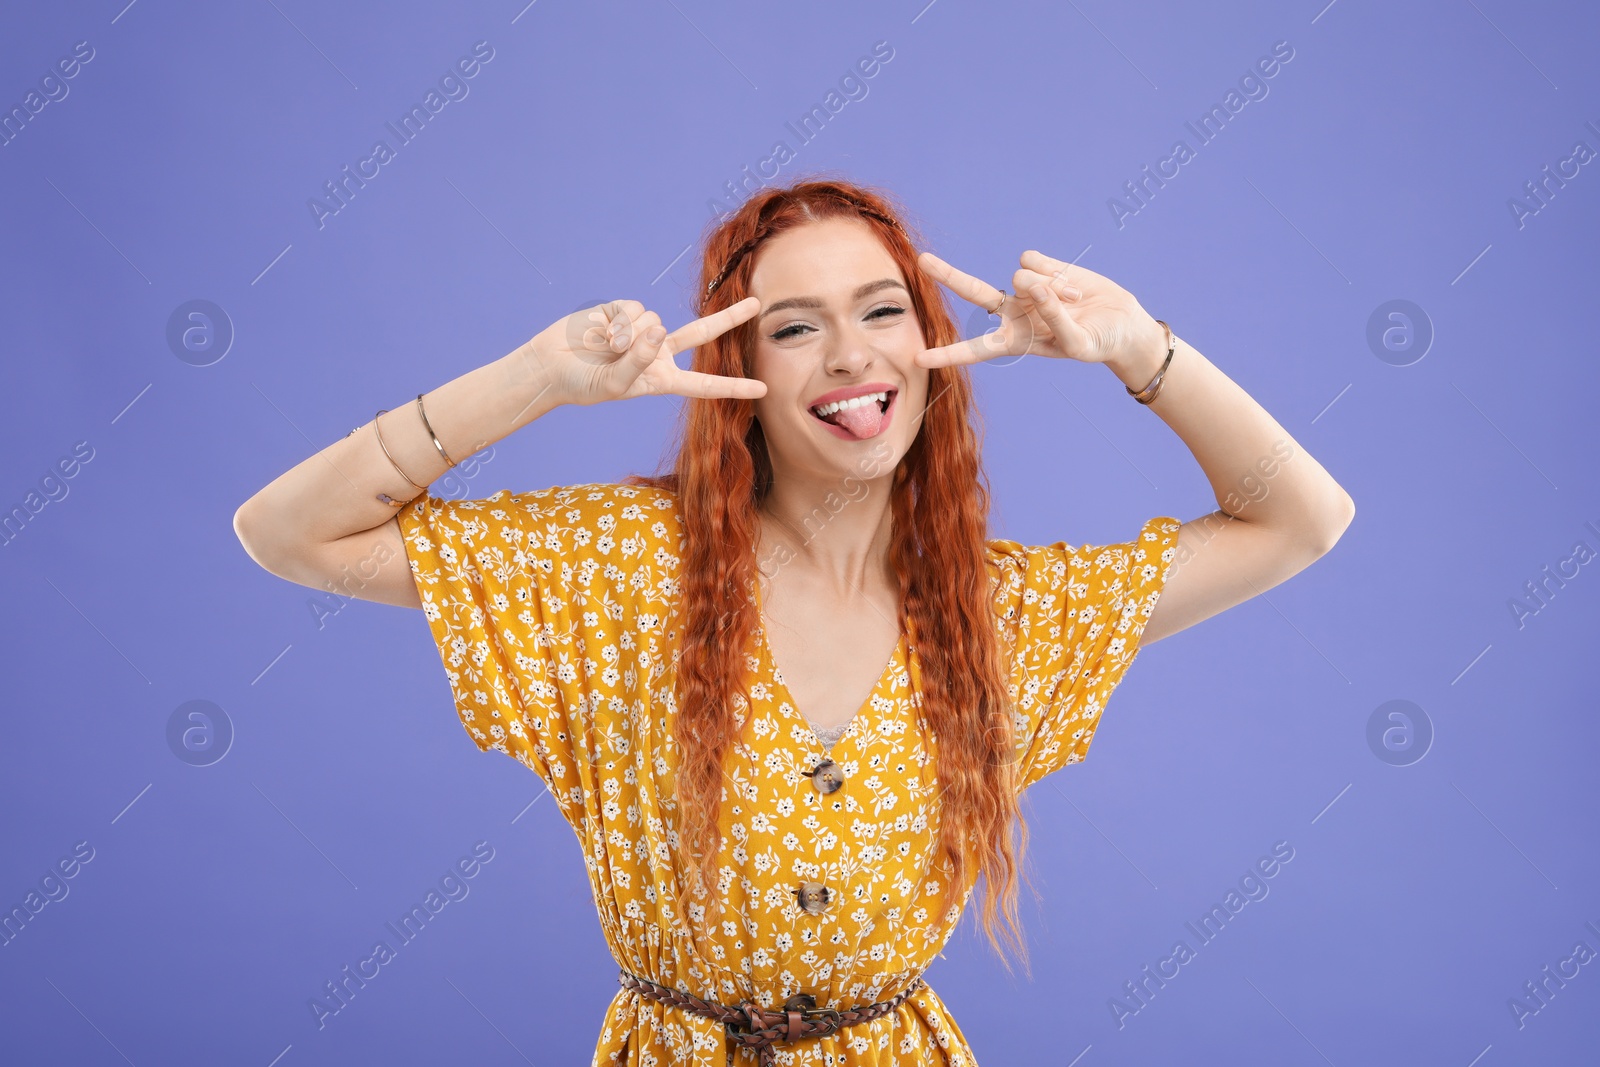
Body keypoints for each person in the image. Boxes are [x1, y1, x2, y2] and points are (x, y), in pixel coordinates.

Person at [233, 178, 1354, 1065]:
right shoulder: (618, 567)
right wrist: (533, 383)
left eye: (882, 312)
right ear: (738, 367)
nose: (852, 356)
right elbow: (292, 533)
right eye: (795, 329)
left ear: (931, 350)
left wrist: (1138, 348)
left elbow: (1301, 519)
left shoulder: (1003, 614)